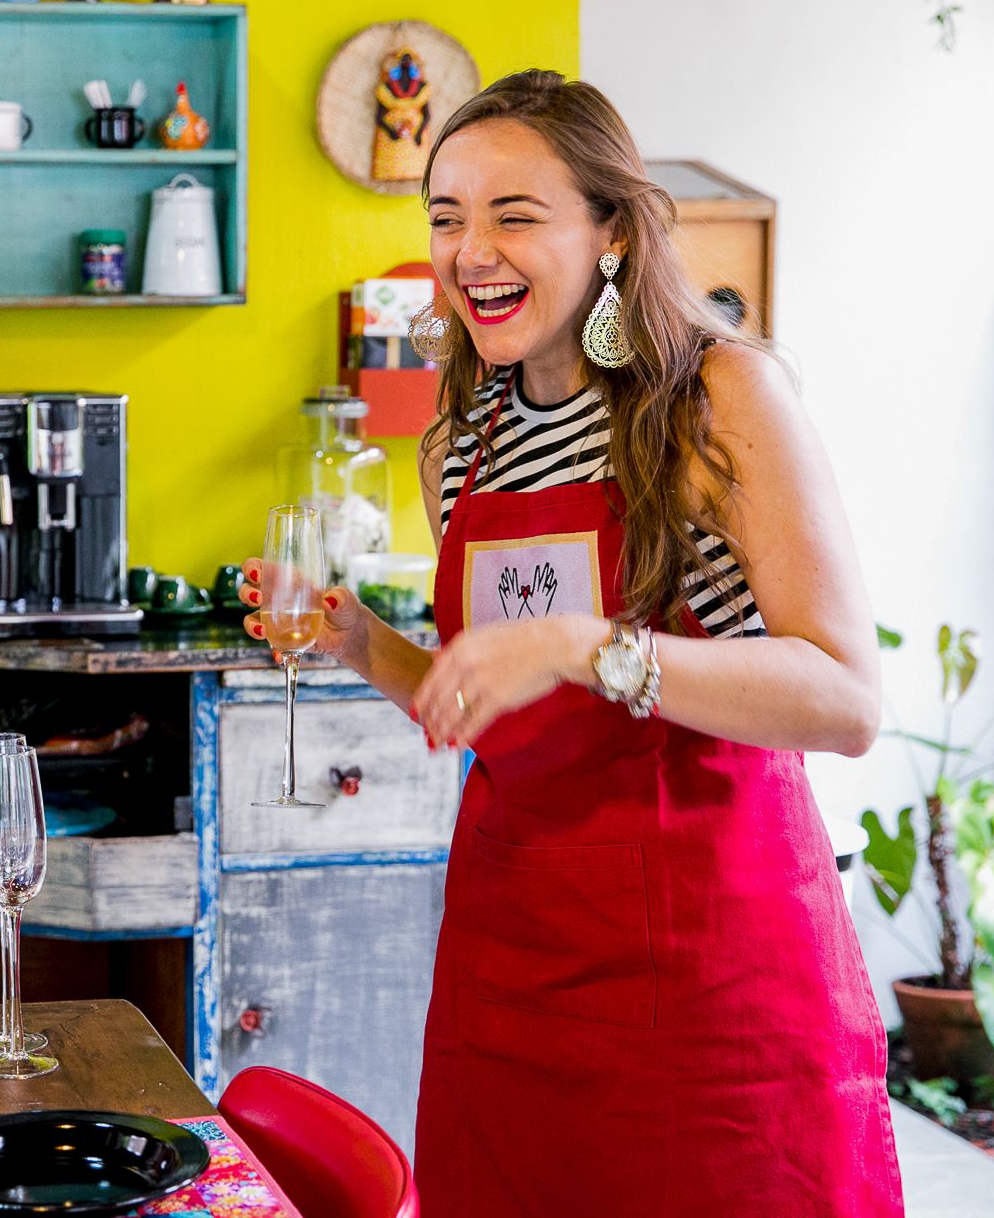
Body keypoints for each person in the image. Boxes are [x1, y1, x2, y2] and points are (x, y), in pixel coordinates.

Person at [242, 71, 901, 1215]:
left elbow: (844, 695)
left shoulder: (716, 398)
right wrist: (354, 638)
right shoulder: (462, 439)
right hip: (513, 972)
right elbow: (498, 703)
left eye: (514, 213)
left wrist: (589, 643)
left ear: (609, 229)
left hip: (715, 978)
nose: (469, 249)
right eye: (445, 216)